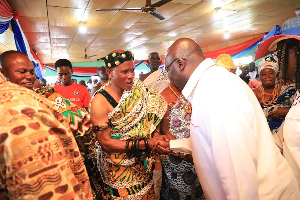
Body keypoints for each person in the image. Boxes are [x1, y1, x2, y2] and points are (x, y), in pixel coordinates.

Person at [164, 38, 299, 199]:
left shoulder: (216, 92)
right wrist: (172, 144)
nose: (169, 78)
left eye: (167, 69)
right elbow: (212, 143)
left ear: (180, 64)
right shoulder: (209, 85)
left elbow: (239, 176)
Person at [0, 50, 108, 199]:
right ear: (3, 73)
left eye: (32, 72)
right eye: (22, 71)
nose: (29, 77)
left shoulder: (48, 96)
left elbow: (84, 122)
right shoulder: (4, 106)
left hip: (64, 171)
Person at [90, 50, 170, 199]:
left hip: (143, 164)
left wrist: (157, 134)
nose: (131, 76)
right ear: (110, 72)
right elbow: (106, 143)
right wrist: (146, 143)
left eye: (132, 71)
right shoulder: (100, 101)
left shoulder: (139, 88)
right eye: (125, 72)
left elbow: (157, 107)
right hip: (118, 169)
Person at [255, 16, 300, 186]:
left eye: (281, 54)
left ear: (297, 52)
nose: (279, 63)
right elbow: (284, 135)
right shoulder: (298, 95)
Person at [160, 83, 206, 200]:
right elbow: (164, 130)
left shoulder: (193, 93)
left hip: (197, 153)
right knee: (180, 193)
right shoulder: (163, 96)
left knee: (200, 190)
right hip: (177, 156)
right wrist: (183, 151)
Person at [252, 56, 296, 152]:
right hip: (264, 136)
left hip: (288, 133)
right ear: (259, 76)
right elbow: (250, 115)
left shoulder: (287, 90)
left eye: (271, 73)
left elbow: (297, 109)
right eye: (263, 74)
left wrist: (286, 111)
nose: (267, 76)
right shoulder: (254, 93)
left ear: (275, 74)